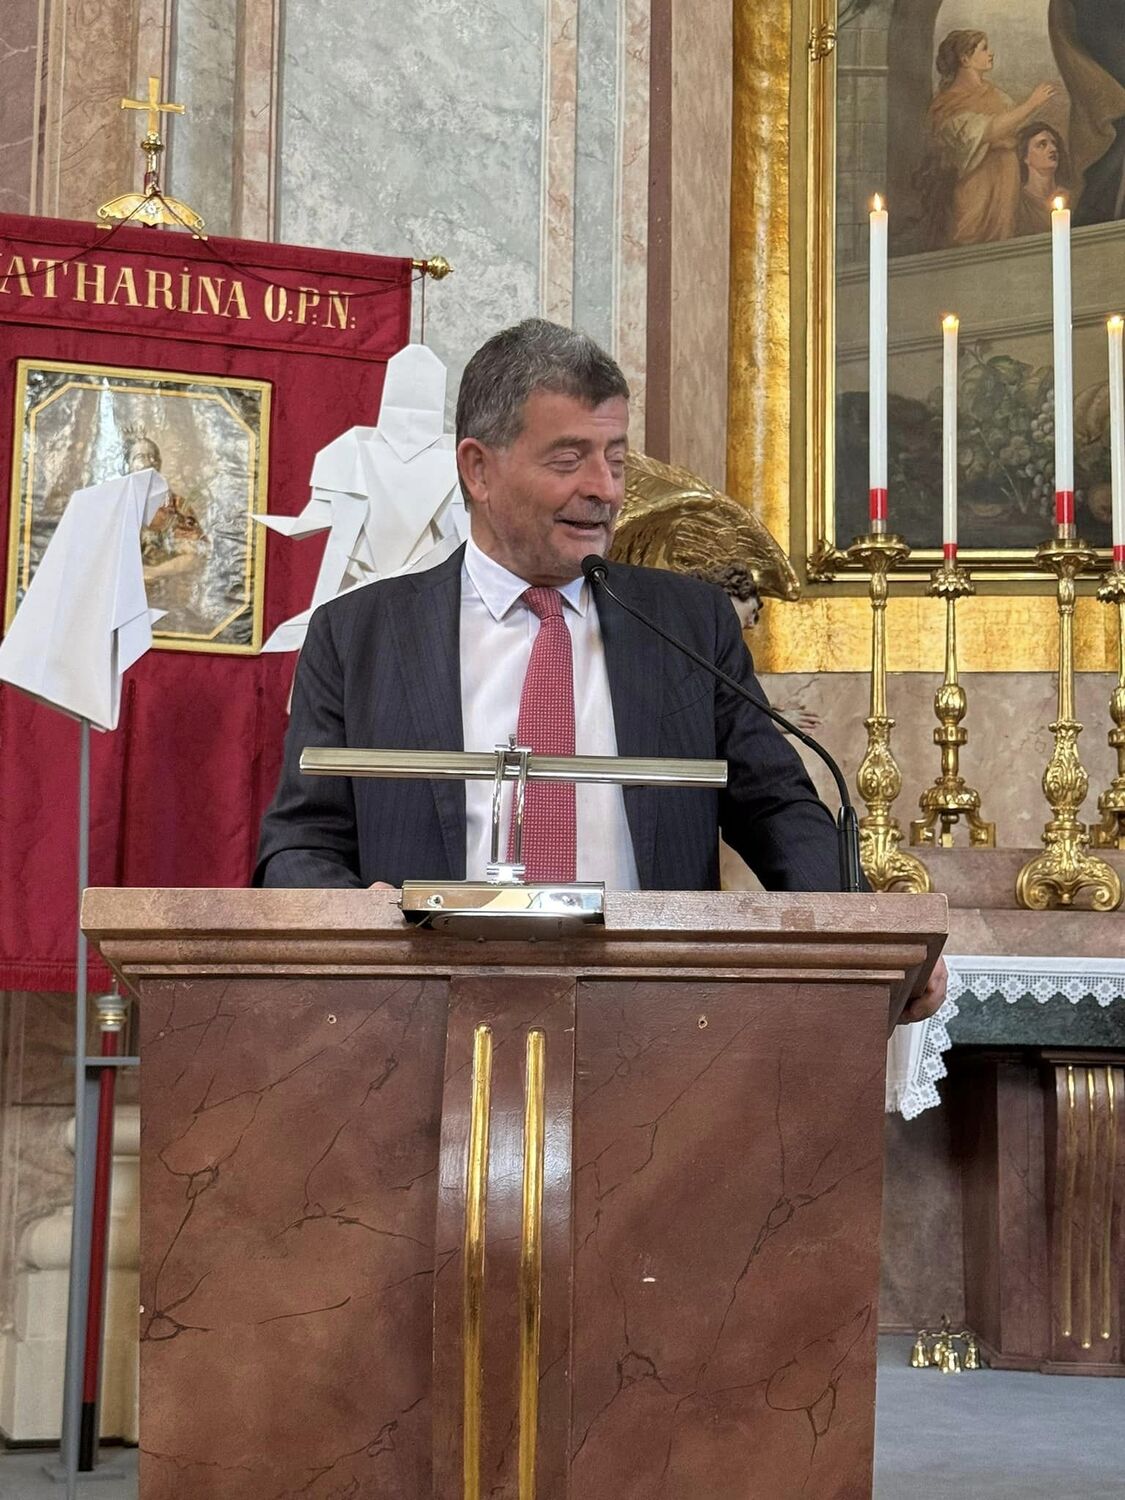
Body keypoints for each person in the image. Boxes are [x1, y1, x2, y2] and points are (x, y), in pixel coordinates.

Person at [255, 319, 946, 1020]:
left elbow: (775, 809)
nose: (605, 489)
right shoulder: (359, 636)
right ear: (478, 469)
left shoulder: (688, 624)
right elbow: (298, 845)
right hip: (424, 1017)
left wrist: (867, 937)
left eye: (615, 459)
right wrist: (352, 917)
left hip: (655, 1021)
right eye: (569, 459)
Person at [926, 30, 1059, 248]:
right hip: (976, 188)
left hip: (1006, 181)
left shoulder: (996, 94)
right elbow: (987, 130)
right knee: (970, 243)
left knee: (1004, 245)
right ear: (965, 59)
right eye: (984, 48)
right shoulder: (948, 104)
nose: (991, 53)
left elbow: (1013, 125)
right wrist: (1032, 104)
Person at [1015, 120, 1068, 236]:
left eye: (1054, 143)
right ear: (1025, 157)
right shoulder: (1018, 203)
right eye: (1042, 145)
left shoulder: (1069, 197)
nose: (1053, 149)